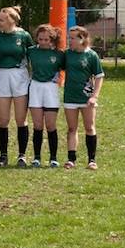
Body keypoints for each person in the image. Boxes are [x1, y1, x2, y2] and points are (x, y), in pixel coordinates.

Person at [0, 6, 34, 167]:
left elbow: (33, 56)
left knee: (21, 119)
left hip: (20, 76)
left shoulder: (24, 35)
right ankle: (3, 155)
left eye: (1, 20)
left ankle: (22, 155)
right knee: (3, 120)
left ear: (12, 21)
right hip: (2, 75)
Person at [63, 26, 104, 170]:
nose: (70, 40)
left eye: (73, 38)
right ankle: (71, 159)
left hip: (86, 98)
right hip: (70, 97)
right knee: (71, 128)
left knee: (89, 127)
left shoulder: (91, 55)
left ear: (83, 39)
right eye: (69, 37)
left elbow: (99, 76)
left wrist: (94, 96)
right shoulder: (67, 54)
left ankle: (91, 160)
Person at [27, 24, 65, 168]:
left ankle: (53, 158)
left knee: (50, 125)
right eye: (40, 39)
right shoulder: (31, 51)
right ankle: (36, 157)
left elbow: (68, 68)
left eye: (46, 40)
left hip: (51, 89)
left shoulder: (59, 54)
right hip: (35, 88)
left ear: (52, 40)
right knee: (37, 125)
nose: (43, 42)